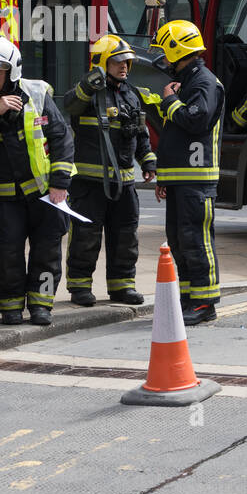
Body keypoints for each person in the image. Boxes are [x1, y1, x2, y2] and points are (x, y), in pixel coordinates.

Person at [0, 37, 75, 325]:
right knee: (7, 253)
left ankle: (41, 305)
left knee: (47, 251)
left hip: (46, 193)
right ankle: (10, 307)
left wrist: (60, 183)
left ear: (12, 71)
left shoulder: (37, 92)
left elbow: (61, 138)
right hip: (6, 197)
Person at [62, 35, 158, 307]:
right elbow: (70, 105)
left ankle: (122, 286)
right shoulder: (87, 92)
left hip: (125, 183)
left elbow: (140, 134)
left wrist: (148, 161)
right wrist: (89, 85)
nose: (124, 66)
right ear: (103, 63)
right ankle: (80, 288)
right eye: (118, 62)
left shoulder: (131, 94)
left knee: (126, 236)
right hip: (90, 184)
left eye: (127, 61)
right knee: (85, 236)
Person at [149, 19, 225, 326]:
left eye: (165, 51)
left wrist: (169, 103)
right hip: (182, 179)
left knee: (196, 240)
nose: (162, 58)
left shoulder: (204, 82)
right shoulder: (189, 82)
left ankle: (205, 302)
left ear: (177, 50)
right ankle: (189, 297)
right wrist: (164, 177)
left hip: (197, 180)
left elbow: (196, 121)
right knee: (180, 241)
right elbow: (176, 138)